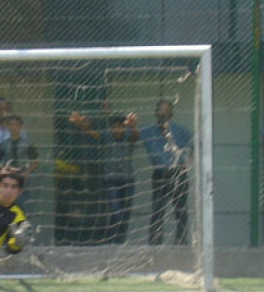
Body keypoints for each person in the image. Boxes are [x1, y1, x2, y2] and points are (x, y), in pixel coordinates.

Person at [69, 109, 138, 244]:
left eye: (119, 126)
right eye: (114, 127)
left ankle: (120, 242)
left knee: (125, 214)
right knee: (116, 212)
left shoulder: (128, 137)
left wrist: (132, 126)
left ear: (124, 128)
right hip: (111, 181)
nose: (116, 129)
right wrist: (80, 123)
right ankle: (111, 241)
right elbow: (91, 132)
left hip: (127, 181)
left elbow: (135, 136)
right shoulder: (106, 136)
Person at [140, 99, 193, 245]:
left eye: (166, 111)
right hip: (159, 174)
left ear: (171, 114)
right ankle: (155, 243)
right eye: (161, 111)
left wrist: (187, 163)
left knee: (180, 210)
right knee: (157, 210)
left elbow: (196, 144)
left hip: (178, 173)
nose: (163, 114)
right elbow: (131, 133)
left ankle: (181, 242)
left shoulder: (179, 130)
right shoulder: (148, 131)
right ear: (156, 113)